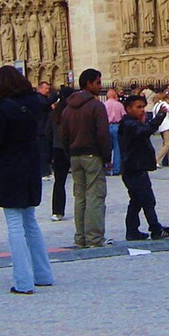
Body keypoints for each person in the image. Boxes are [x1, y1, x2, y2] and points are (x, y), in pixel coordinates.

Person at [0, 65, 54, 294]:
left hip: (9, 169)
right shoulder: (34, 103)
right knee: (30, 222)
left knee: (14, 224)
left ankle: (23, 281)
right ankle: (43, 274)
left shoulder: (3, 109)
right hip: (31, 167)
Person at [60, 68, 112, 248]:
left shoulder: (68, 108)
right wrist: (107, 157)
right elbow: (103, 135)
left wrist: (70, 154)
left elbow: (63, 136)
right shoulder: (96, 106)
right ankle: (94, 238)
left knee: (80, 197)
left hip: (75, 156)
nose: (100, 86)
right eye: (98, 82)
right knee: (95, 196)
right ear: (89, 83)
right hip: (92, 155)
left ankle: (80, 237)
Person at [118, 95, 169, 241]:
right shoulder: (130, 124)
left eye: (143, 107)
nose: (142, 110)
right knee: (147, 200)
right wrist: (160, 116)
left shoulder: (131, 122)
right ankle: (155, 229)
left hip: (134, 167)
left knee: (136, 201)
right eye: (138, 107)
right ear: (129, 109)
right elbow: (145, 131)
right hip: (135, 168)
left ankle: (133, 231)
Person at [46, 86, 73, 220]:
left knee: (59, 182)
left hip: (58, 149)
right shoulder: (72, 112)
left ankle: (57, 211)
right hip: (72, 148)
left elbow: (48, 133)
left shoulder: (54, 113)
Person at [103, 88, 125, 175]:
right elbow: (124, 116)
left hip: (106, 126)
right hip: (117, 125)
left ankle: (106, 166)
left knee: (106, 147)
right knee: (117, 148)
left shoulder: (104, 105)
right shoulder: (119, 105)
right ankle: (117, 169)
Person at [153, 92, 169, 167]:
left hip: (160, 125)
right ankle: (157, 160)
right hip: (165, 126)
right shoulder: (163, 104)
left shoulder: (156, 105)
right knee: (167, 144)